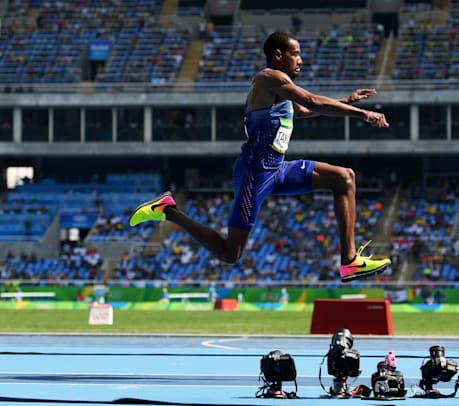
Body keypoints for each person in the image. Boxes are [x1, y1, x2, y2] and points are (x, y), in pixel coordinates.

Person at [129, 31, 391, 283]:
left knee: (344, 178)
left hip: (278, 169)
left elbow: (300, 110)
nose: (301, 60)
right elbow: (312, 101)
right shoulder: (268, 78)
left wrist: (347, 99)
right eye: (296, 53)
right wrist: (363, 114)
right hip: (255, 174)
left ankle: (349, 261)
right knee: (230, 253)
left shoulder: (281, 91)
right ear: (278, 55)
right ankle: (168, 210)